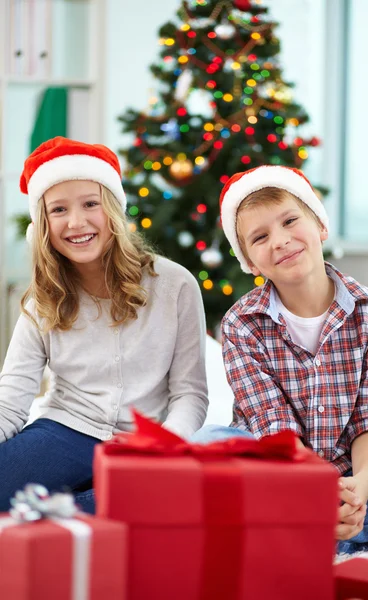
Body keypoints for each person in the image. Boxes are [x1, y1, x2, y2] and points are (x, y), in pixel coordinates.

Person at [191, 165, 368, 555]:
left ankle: (319, 534)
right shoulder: (242, 323)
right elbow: (273, 425)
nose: (281, 241)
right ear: (250, 263)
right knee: (207, 447)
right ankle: (336, 536)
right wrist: (315, 490)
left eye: (290, 220)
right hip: (277, 468)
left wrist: (359, 491)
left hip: (353, 475)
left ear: (320, 225)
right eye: (260, 237)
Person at [0, 136, 208, 514]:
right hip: (64, 430)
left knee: (172, 495)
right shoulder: (42, 299)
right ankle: (83, 503)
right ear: (43, 224)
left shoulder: (176, 285)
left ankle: (62, 508)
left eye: (90, 204)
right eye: (58, 210)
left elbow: (190, 395)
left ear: (112, 209)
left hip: (145, 442)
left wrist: (164, 445)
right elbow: (11, 400)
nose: (76, 223)